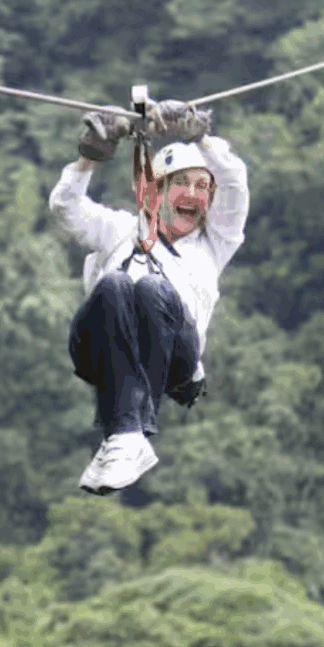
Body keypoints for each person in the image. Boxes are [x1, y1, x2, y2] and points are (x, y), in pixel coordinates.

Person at [49, 100, 248, 494]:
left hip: (173, 354)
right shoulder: (119, 230)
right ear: (155, 192)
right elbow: (66, 207)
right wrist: (90, 156)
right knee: (115, 284)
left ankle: (131, 430)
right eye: (180, 184)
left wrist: (200, 137)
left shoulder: (213, 243)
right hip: (105, 345)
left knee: (152, 287)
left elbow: (237, 183)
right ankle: (122, 437)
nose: (192, 194)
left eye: (202, 187)